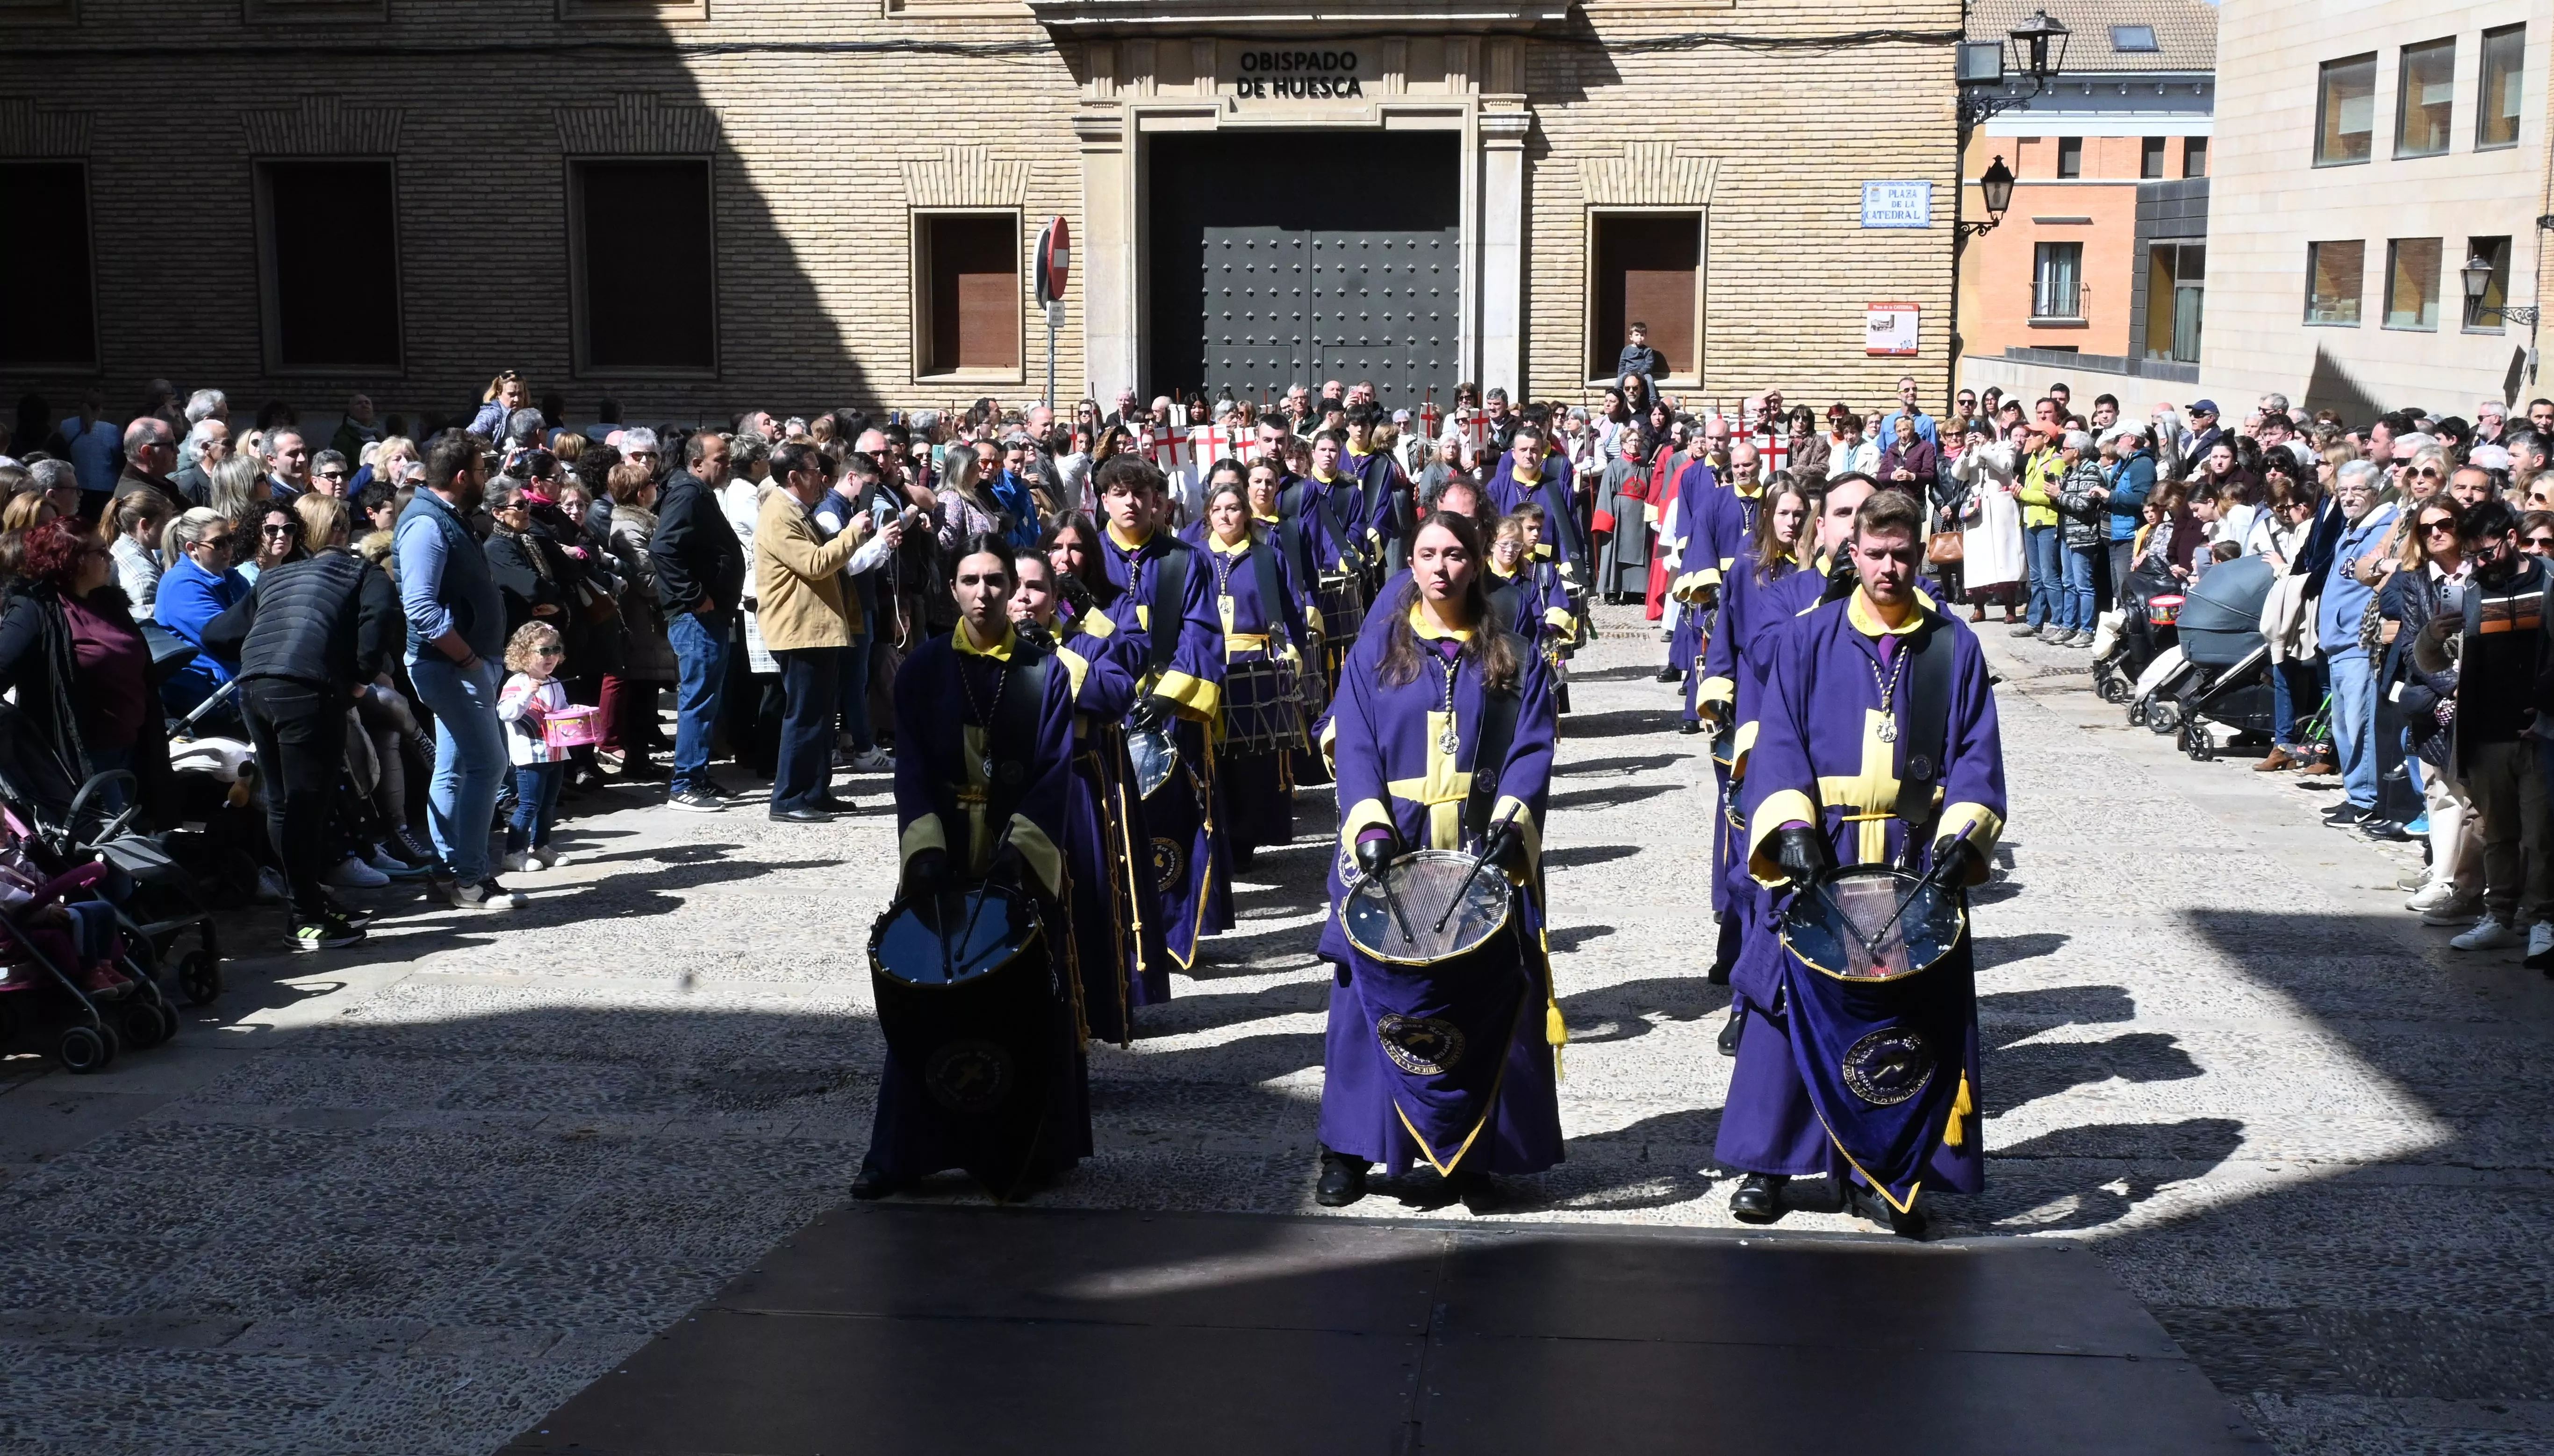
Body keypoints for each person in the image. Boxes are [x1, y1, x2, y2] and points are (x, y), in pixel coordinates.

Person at [1723, 487, 2006, 1235]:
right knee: (1787, 1003)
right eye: (1875, 554)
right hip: (1826, 849)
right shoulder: (1810, 638)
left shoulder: (1952, 645)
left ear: (1920, 554)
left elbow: (1977, 755)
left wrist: (1961, 838)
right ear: (1852, 554)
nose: (1888, 568)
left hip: (1913, 860)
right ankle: (1770, 1164)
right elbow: (1778, 738)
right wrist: (1789, 828)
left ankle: (1893, 1168)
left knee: (1905, 1017)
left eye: (1903, 555)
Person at [1314, 508, 1561, 1212]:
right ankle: (1350, 1149)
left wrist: (1513, 827)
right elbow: (1356, 746)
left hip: (1475, 861)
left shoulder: (1513, 655)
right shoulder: (1377, 652)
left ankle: (1473, 1151)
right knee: (1365, 1007)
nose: (1442, 568)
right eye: (1428, 554)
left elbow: (1531, 754)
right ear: (1411, 565)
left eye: (1456, 554)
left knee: (1482, 1005)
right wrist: (1370, 827)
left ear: (1477, 563)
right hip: (1390, 855)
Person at [855, 535, 1087, 1202]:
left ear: (1011, 586)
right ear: (952, 589)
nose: (983, 592)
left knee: (1021, 1007)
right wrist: (924, 851)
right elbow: (914, 770)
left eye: (994, 580)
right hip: (945, 856)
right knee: (926, 998)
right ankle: (902, 1152)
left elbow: (1051, 772)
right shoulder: (925, 668)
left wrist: (1023, 853)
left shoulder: (1045, 674)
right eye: (969, 580)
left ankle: (1025, 1151)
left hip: (1019, 861)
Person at [210, 494, 402, 948]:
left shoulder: (277, 578)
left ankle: (308, 901)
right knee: (307, 805)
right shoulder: (366, 572)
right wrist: (357, 679)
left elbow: (216, 633)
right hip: (307, 688)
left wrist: (259, 654)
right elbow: (380, 619)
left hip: (255, 686)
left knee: (284, 803)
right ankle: (304, 918)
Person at [1091, 455, 1230, 971]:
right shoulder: (1081, 555)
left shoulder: (1184, 560)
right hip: (1101, 709)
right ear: (1103, 498)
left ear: (1157, 499)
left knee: (1168, 826)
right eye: (1120, 491)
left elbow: (1202, 634)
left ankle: (1167, 935)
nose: (1131, 501)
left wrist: (1167, 696)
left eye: (1141, 492)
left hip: (1166, 714)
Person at [1695, 477, 1819, 990]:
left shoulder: (1817, 574)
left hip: (1798, 706)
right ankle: (1735, 951)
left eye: (1799, 514)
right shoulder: (1748, 570)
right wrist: (1717, 695)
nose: (1792, 522)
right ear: (1766, 516)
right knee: (1740, 832)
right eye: (1784, 513)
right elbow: (1724, 632)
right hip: (1752, 700)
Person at [398, 429, 524, 912]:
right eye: (481, 470)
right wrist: (468, 659)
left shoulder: (450, 517)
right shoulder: (427, 524)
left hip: (463, 665)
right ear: (460, 476)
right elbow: (420, 608)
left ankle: (452, 872)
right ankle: (471, 878)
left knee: (453, 768)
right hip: (449, 666)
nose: (486, 477)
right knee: (489, 764)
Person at [2437, 500, 2554, 966]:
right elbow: (2434, 659)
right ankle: (2499, 916)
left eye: (2485, 553)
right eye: (2472, 555)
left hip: (2538, 729)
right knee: (2498, 831)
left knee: (2541, 834)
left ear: (2509, 537)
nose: (2479, 563)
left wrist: (2546, 708)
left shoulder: (2547, 582)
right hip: (2484, 728)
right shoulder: (2470, 589)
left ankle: (2542, 918)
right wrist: (2432, 638)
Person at [1187, 475, 1313, 866]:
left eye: (1234, 508)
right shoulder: (1193, 556)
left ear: (1246, 513)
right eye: (1219, 509)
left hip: (1254, 670)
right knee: (1211, 758)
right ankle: (1213, 837)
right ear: (1209, 514)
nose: (1227, 515)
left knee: (1249, 760)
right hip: (1206, 666)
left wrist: (1294, 650)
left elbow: (1291, 607)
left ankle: (1244, 841)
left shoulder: (1266, 555)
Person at [756, 441, 868, 821]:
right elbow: (816, 564)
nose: (822, 479)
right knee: (804, 717)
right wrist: (852, 534)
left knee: (822, 718)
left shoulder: (798, 511)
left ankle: (816, 791)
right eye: (814, 471)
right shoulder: (779, 514)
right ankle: (788, 799)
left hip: (819, 629)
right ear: (793, 477)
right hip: (800, 630)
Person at [648, 432, 746, 812]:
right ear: (697, 463)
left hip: (712, 614)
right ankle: (685, 783)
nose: (726, 465)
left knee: (707, 699)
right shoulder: (688, 493)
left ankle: (699, 776)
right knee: (697, 698)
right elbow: (663, 547)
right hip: (695, 617)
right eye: (719, 459)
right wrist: (694, 595)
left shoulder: (697, 492)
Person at [2317, 462, 2399, 826]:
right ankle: (2355, 792)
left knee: (2359, 723)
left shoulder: (2382, 530)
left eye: (2358, 490)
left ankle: (2365, 798)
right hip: (2337, 642)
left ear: (2375, 491)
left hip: (2359, 642)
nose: (2349, 497)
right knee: (2344, 726)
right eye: (2343, 491)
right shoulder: (2352, 528)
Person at [601, 461, 675, 781]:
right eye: (651, 484)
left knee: (646, 690)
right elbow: (646, 579)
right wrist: (675, 587)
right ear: (640, 492)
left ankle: (641, 756)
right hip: (641, 618)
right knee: (640, 689)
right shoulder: (629, 528)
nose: (655, 488)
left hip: (649, 619)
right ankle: (637, 759)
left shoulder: (643, 521)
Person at [152, 506, 247, 723]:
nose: (228, 549)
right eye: (218, 543)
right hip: (207, 707)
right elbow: (228, 637)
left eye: (230, 539)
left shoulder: (233, 578)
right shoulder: (181, 584)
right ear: (192, 548)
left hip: (238, 694)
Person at [496, 621, 575, 873]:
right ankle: (513, 852)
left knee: (549, 803)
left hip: (556, 752)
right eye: (544, 651)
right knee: (529, 805)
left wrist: (573, 714)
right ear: (524, 653)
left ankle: (540, 846)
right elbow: (506, 713)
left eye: (555, 650)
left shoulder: (555, 683)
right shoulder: (517, 683)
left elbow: (561, 711)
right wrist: (526, 694)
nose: (551, 657)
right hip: (530, 756)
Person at [1589, 424, 1654, 604]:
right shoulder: (1614, 465)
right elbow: (1605, 493)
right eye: (1631, 440)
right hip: (1619, 515)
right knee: (1614, 549)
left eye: (1638, 440)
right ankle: (1613, 590)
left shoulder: (1646, 466)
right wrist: (1605, 519)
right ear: (1623, 443)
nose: (1635, 444)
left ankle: (1635, 590)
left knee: (1641, 551)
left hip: (1640, 515)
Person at [107, 493, 169, 620]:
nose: (169, 530)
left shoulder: (119, 546)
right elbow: (152, 631)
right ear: (145, 525)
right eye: (165, 524)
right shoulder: (143, 578)